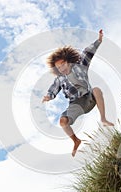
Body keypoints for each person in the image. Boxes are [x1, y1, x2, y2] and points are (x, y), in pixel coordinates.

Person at [42, 29, 114, 157]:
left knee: (96, 90)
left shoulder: (80, 65)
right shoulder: (60, 79)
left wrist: (99, 40)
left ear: (68, 62)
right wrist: (49, 96)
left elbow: (87, 52)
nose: (61, 69)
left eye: (63, 65)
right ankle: (76, 140)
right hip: (76, 104)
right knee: (63, 122)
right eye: (58, 68)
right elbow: (53, 89)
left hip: (89, 98)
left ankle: (103, 118)